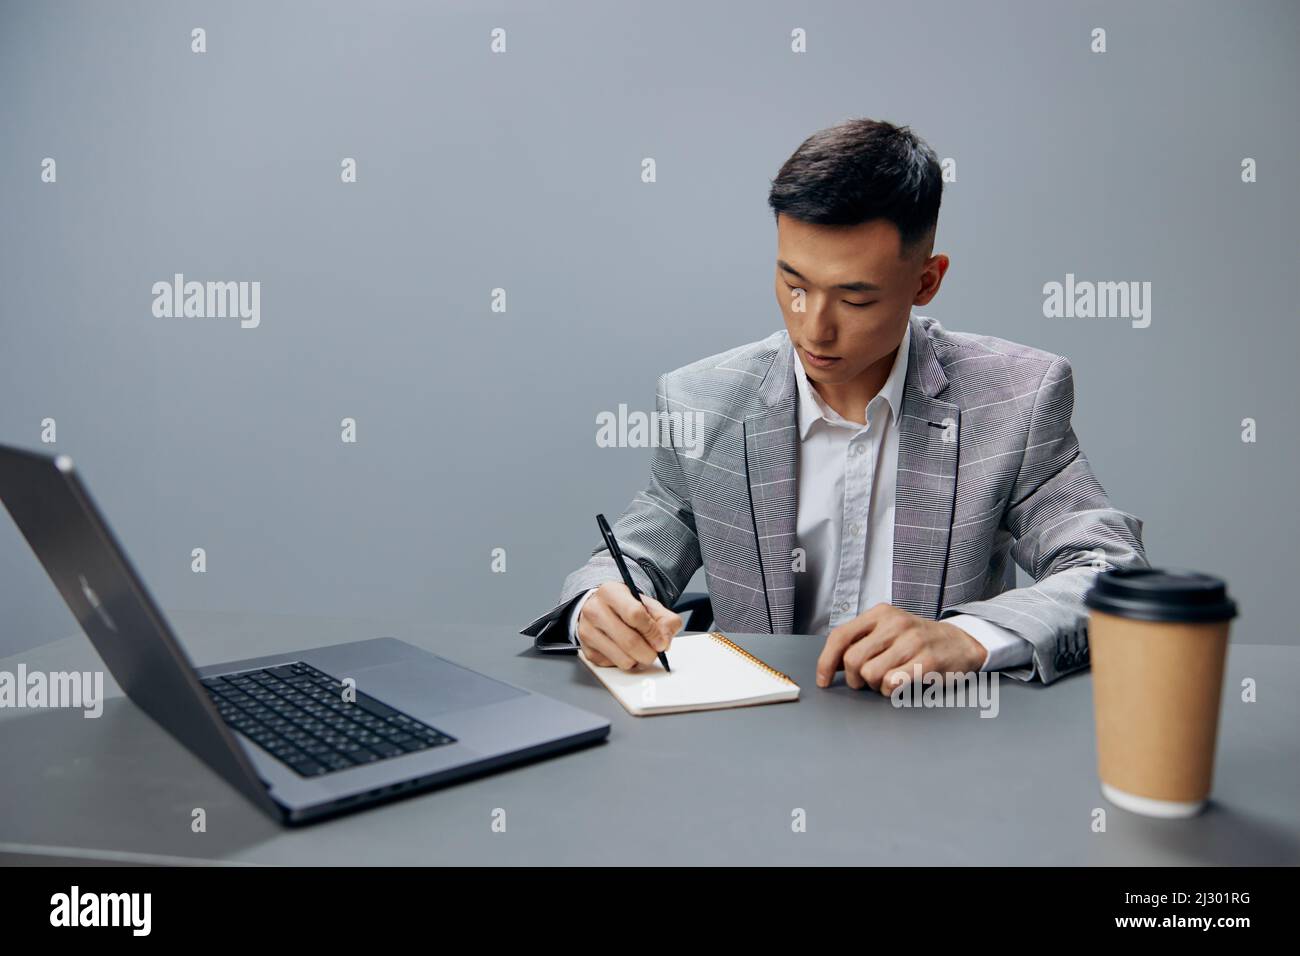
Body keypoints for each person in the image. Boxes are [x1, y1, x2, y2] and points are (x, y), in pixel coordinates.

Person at [521, 118, 1147, 692]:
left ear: (926, 281)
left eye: (855, 299)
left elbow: (1114, 575)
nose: (813, 328)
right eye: (794, 284)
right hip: (750, 746)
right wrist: (595, 605)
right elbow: (632, 558)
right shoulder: (703, 405)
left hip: (936, 744)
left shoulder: (1013, 400)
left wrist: (968, 637)